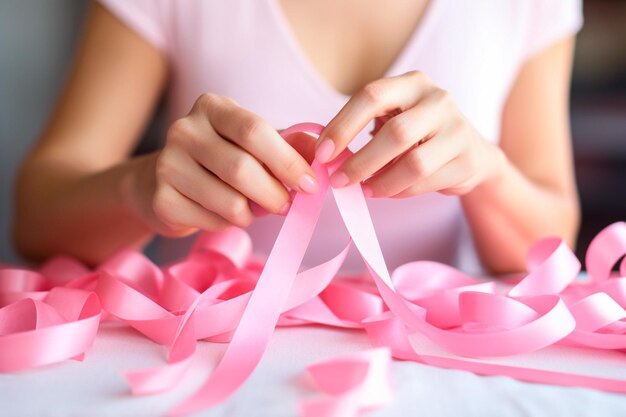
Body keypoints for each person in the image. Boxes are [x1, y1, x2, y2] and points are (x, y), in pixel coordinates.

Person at [12, 0, 582, 275]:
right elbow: (35, 222)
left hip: (435, 379)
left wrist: (486, 171)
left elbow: (551, 241)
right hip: (203, 365)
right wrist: (140, 187)